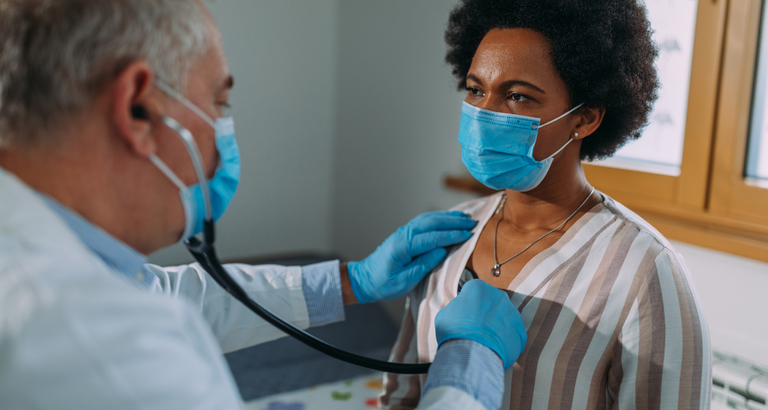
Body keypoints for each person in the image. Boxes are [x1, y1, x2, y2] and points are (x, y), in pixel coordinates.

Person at [0, 1, 526, 409]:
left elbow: (168, 294)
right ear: (136, 108)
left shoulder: (45, 260)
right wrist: (468, 373)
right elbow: (128, 319)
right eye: (218, 104)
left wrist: (352, 282)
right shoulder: (86, 339)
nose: (220, 142)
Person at [380, 0, 711, 409]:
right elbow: (401, 397)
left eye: (517, 96)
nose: (484, 114)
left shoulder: (643, 271)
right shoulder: (445, 235)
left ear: (584, 118)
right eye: (475, 89)